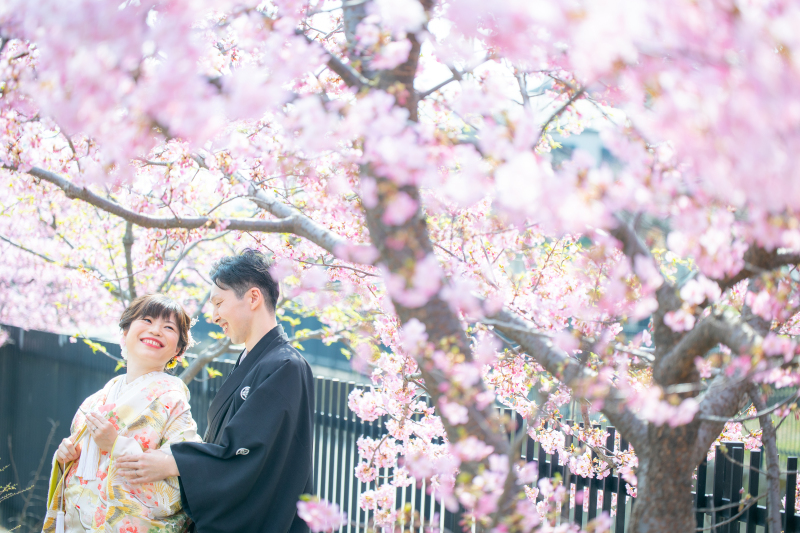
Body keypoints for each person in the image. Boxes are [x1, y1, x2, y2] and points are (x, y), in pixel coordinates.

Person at [116, 249, 315, 533]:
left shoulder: (286, 366)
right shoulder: (255, 361)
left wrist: (175, 464)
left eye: (219, 303)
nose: (214, 316)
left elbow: (249, 455)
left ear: (254, 298)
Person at [42, 294, 201, 533]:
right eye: (147, 320)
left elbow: (186, 464)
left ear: (178, 350)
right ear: (125, 333)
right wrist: (66, 457)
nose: (156, 330)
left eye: (168, 327)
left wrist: (116, 444)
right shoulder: (96, 400)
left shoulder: (173, 400)